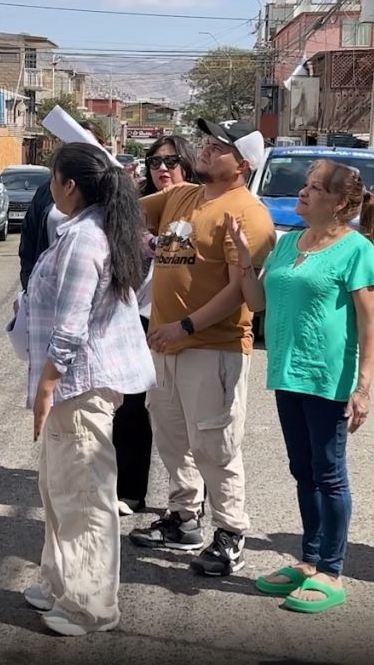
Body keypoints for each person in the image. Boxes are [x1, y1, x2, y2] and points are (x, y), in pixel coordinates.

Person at [228, 160, 374, 614]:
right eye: (306, 185)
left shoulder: (356, 250)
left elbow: (369, 326)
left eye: (315, 188)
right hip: (288, 373)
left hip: (328, 379)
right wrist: (244, 257)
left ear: (339, 203)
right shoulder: (287, 242)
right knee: (303, 469)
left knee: (329, 473)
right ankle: (309, 560)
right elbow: (258, 302)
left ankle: (331, 571)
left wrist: (363, 389)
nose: (303, 192)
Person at [20, 143, 156, 637]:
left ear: (70, 185)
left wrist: (46, 386)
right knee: (60, 490)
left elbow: (71, 327)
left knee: (84, 497)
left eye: (52, 177)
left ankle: (91, 605)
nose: (49, 187)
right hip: (74, 384)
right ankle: (60, 583)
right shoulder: (90, 229)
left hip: (78, 384)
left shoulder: (84, 239)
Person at [129, 118, 275, 577]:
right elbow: (128, 208)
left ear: (243, 164)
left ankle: (230, 533)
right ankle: (183, 517)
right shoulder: (182, 196)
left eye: (220, 146)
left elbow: (238, 291)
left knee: (215, 445)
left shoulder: (249, 214)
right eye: (208, 142)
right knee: (172, 439)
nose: (208, 150)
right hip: (165, 344)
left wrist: (185, 327)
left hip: (212, 346)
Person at [117, 135, 198, 517]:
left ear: (187, 164)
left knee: (181, 416)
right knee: (130, 408)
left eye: (171, 161)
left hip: (183, 322)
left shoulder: (200, 204)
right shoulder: (137, 206)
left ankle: (187, 503)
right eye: (154, 162)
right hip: (136, 315)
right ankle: (130, 491)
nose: (162, 168)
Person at [18, 120, 107, 289]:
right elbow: (28, 244)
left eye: (86, 144)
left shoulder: (110, 193)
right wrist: (29, 290)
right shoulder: (48, 190)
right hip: (45, 287)